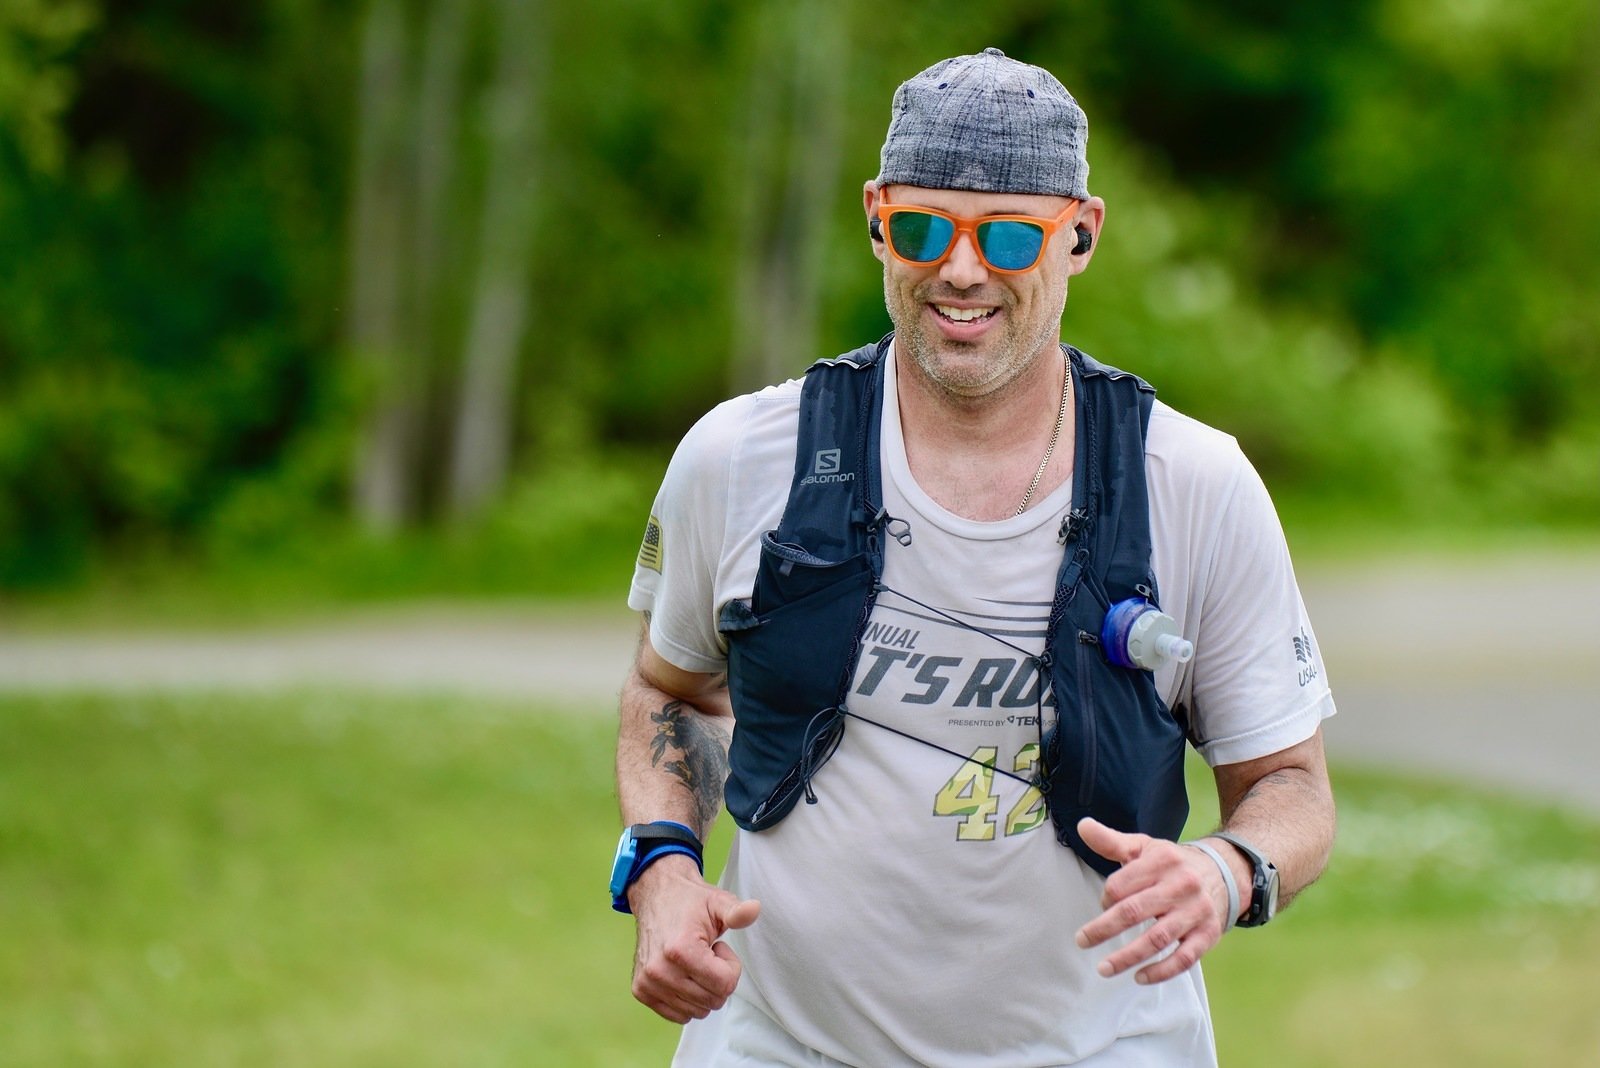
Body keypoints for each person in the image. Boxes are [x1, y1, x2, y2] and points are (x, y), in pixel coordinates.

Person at [613, 47, 1336, 1067]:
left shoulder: (1192, 483)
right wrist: (661, 866)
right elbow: (672, 690)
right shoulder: (742, 456)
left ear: (1080, 235)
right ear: (876, 218)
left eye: (1007, 233)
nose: (960, 270)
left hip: (1105, 1047)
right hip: (778, 1042)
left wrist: (1225, 870)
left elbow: (1292, 785)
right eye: (923, 228)